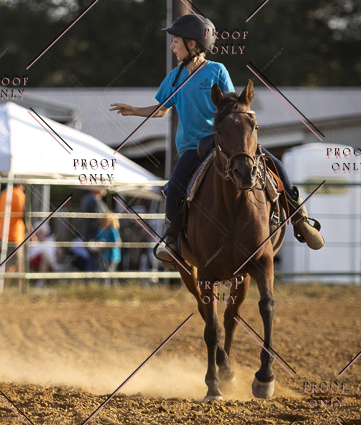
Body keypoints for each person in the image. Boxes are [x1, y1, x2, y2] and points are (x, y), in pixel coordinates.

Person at [110, 13, 325, 263]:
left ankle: (301, 220)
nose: (172, 47)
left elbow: (232, 106)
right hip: (193, 148)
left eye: (176, 41)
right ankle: (172, 240)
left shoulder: (217, 70)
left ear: (192, 44)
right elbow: (161, 109)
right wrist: (134, 110)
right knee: (176, 185)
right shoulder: (174, 77)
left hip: (225, 142)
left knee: (276, 165)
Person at [0, 183, 25, 290]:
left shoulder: (3, 193)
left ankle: (2, 287)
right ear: (21, 185)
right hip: (15, 234)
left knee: (9, 263)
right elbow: (23, 214)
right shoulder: (19, 195)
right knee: (18, 263)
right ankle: (20, 288)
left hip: (3, 233)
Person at [79, 188, 109, 271]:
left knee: (94, 261)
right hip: (95, 237)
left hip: (90, 236)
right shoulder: (93, 200)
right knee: (94, 263)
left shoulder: (87, 199)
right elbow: (101, 219)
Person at [92, 214, 122, 285]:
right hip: (103, 256)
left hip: (112, 256)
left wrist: (104, 245)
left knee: (107, 274)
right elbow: (97, 239)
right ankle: (116, 288)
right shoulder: (100, 230)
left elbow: (115, 243)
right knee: (108, 273)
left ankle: (106, 288)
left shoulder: (113, 230)